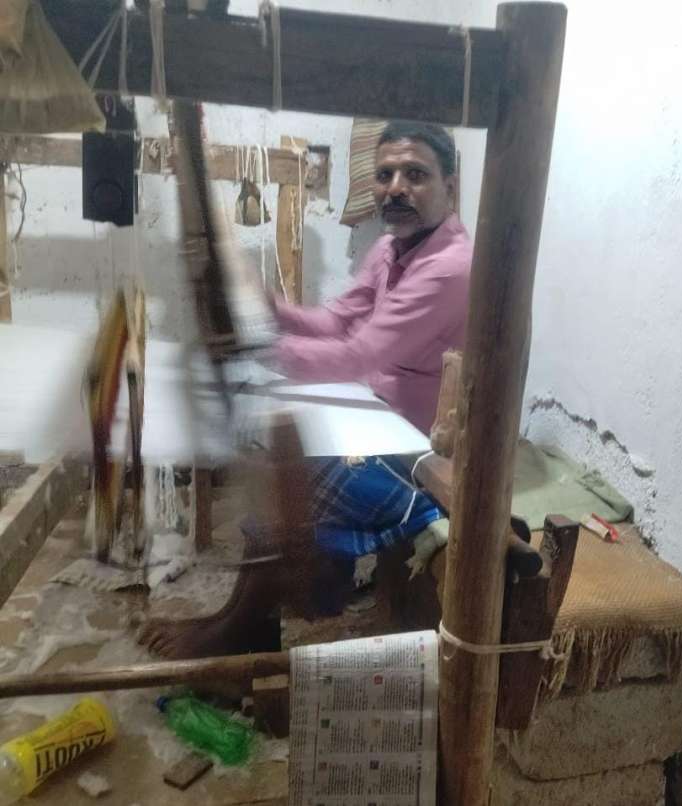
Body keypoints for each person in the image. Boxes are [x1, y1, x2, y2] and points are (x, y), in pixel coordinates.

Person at [139, 121, 473, 659]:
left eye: (415, 175)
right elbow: (337, 321)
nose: (395, 188)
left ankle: (247, 620)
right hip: (378, 422)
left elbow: (360, 354)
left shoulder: (450, 268)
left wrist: (252, 347)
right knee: (276, 446)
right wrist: (267, 307)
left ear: (450, 187)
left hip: (421, 456)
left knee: (293, 474)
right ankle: (245, 615)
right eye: (385, 175)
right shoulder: (392, 249)